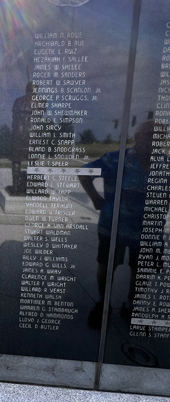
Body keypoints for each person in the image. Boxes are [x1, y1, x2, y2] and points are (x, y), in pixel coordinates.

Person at [79, 120, 166, 327]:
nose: (154, 140)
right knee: (107, 266)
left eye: (159, 136)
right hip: (113, 227)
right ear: (137, 137)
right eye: (149, 135)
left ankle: (130, 305)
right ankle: (103, 304)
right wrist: (95, 198)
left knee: (140, 269)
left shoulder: (166, 165)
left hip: (147, 230)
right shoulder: (115, 160)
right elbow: (84, 173)